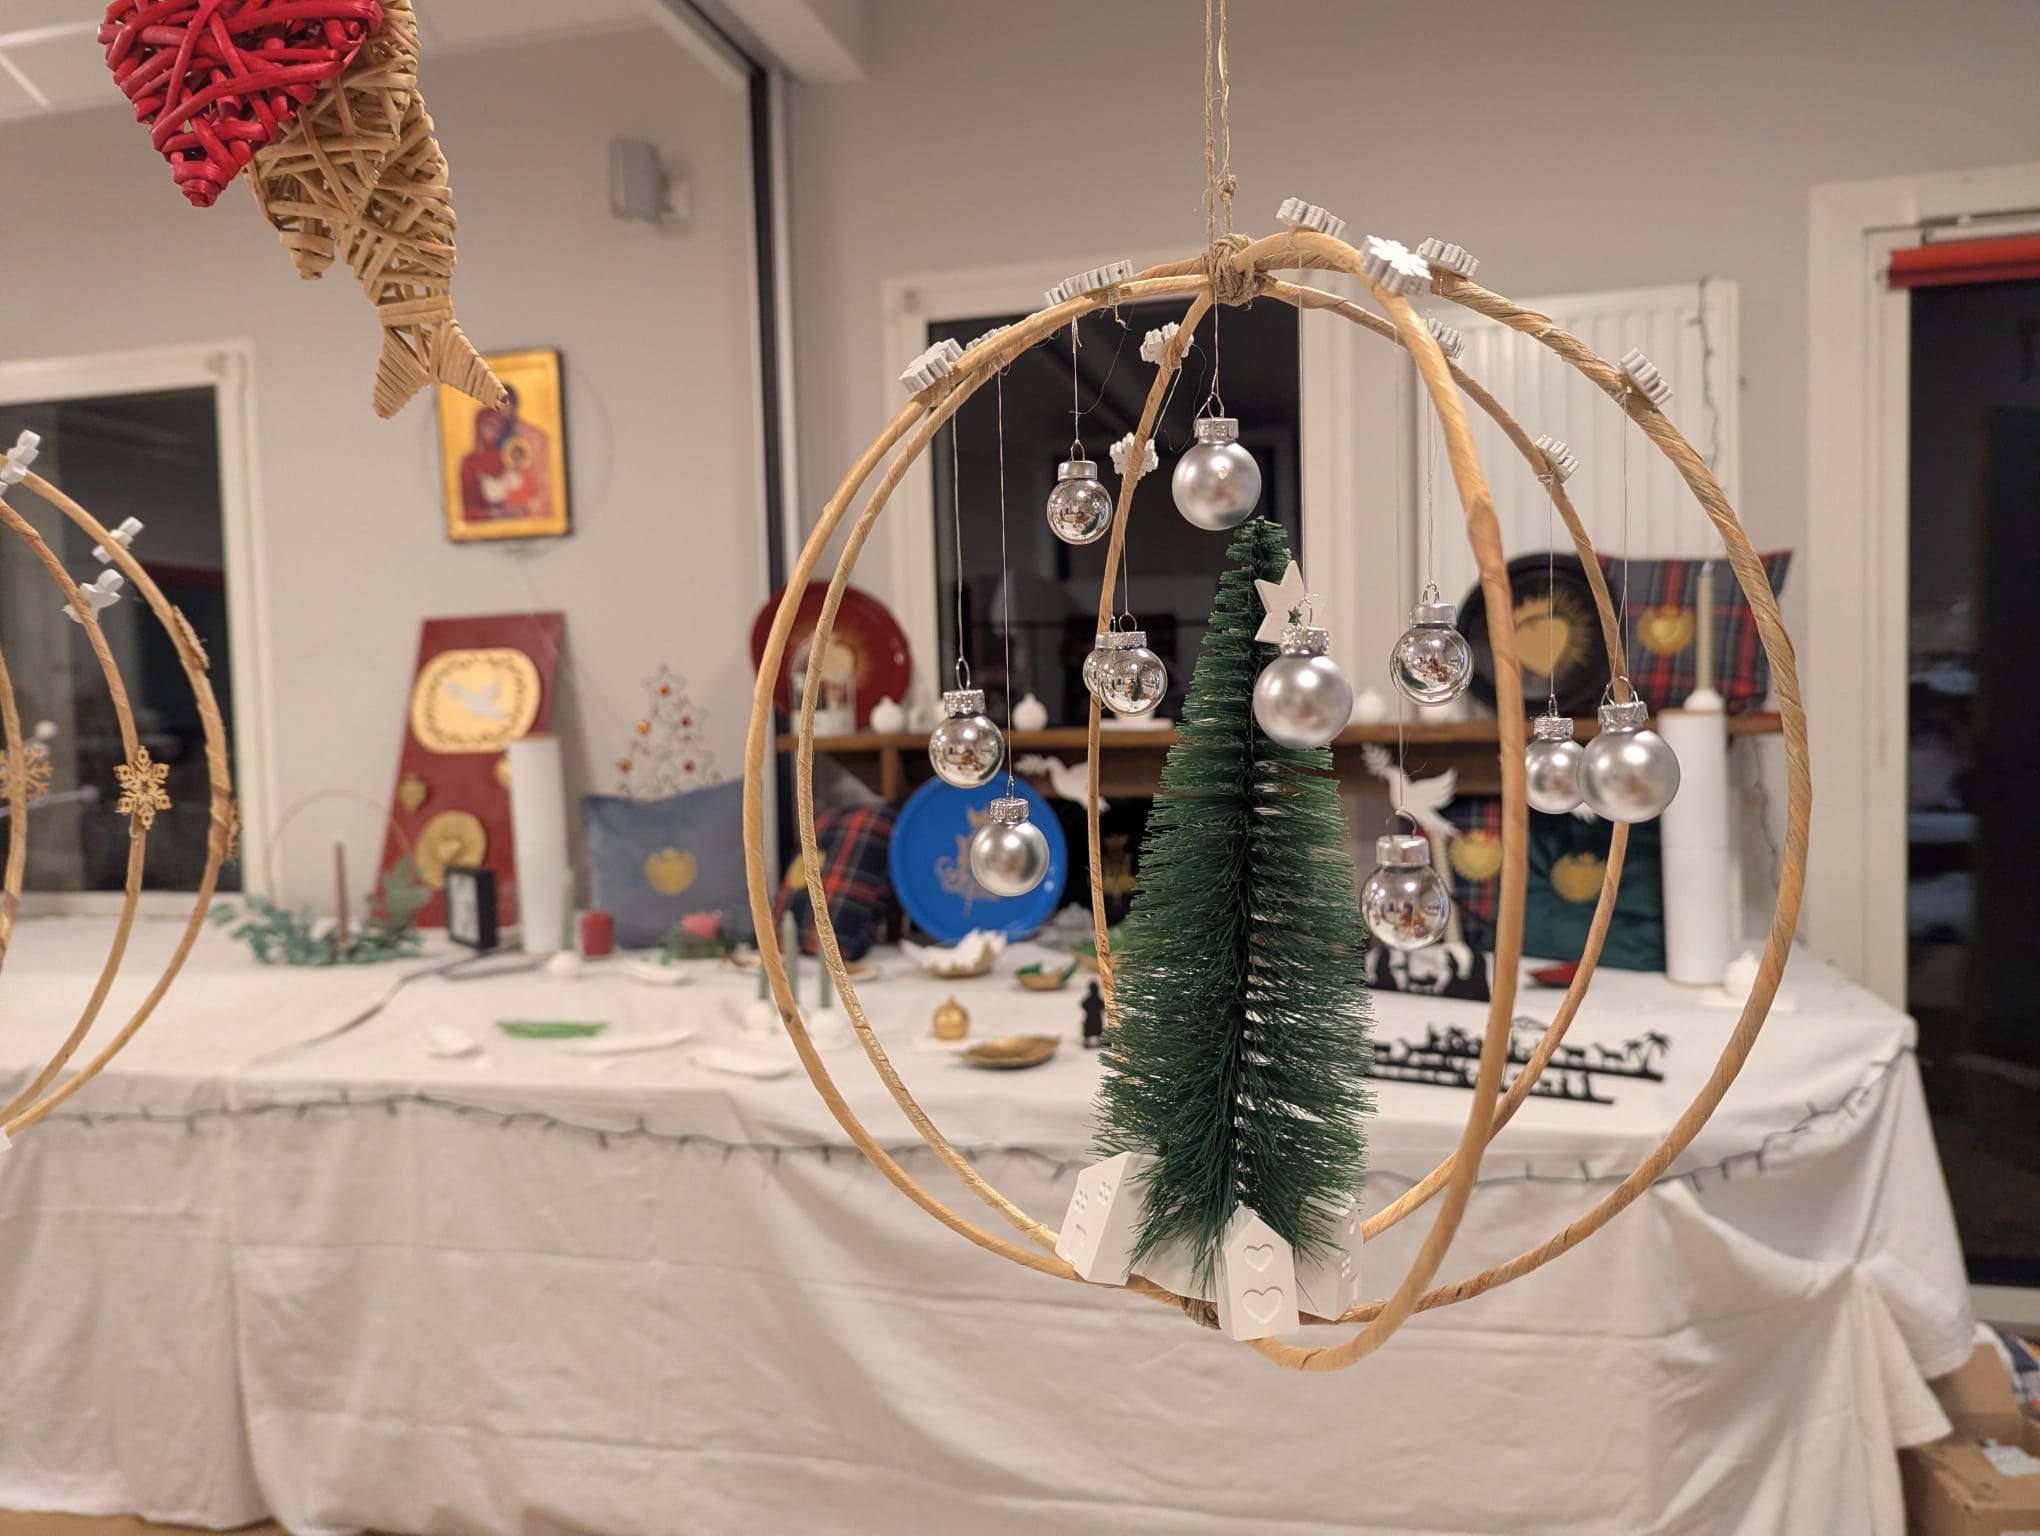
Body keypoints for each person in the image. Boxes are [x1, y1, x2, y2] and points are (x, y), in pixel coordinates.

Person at [457, 384, 552, 524]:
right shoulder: (471, 462)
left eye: (505, 406)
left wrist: (524, 509)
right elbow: (468, 510)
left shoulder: (534, 440)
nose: (500, 414)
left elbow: (546, 490)